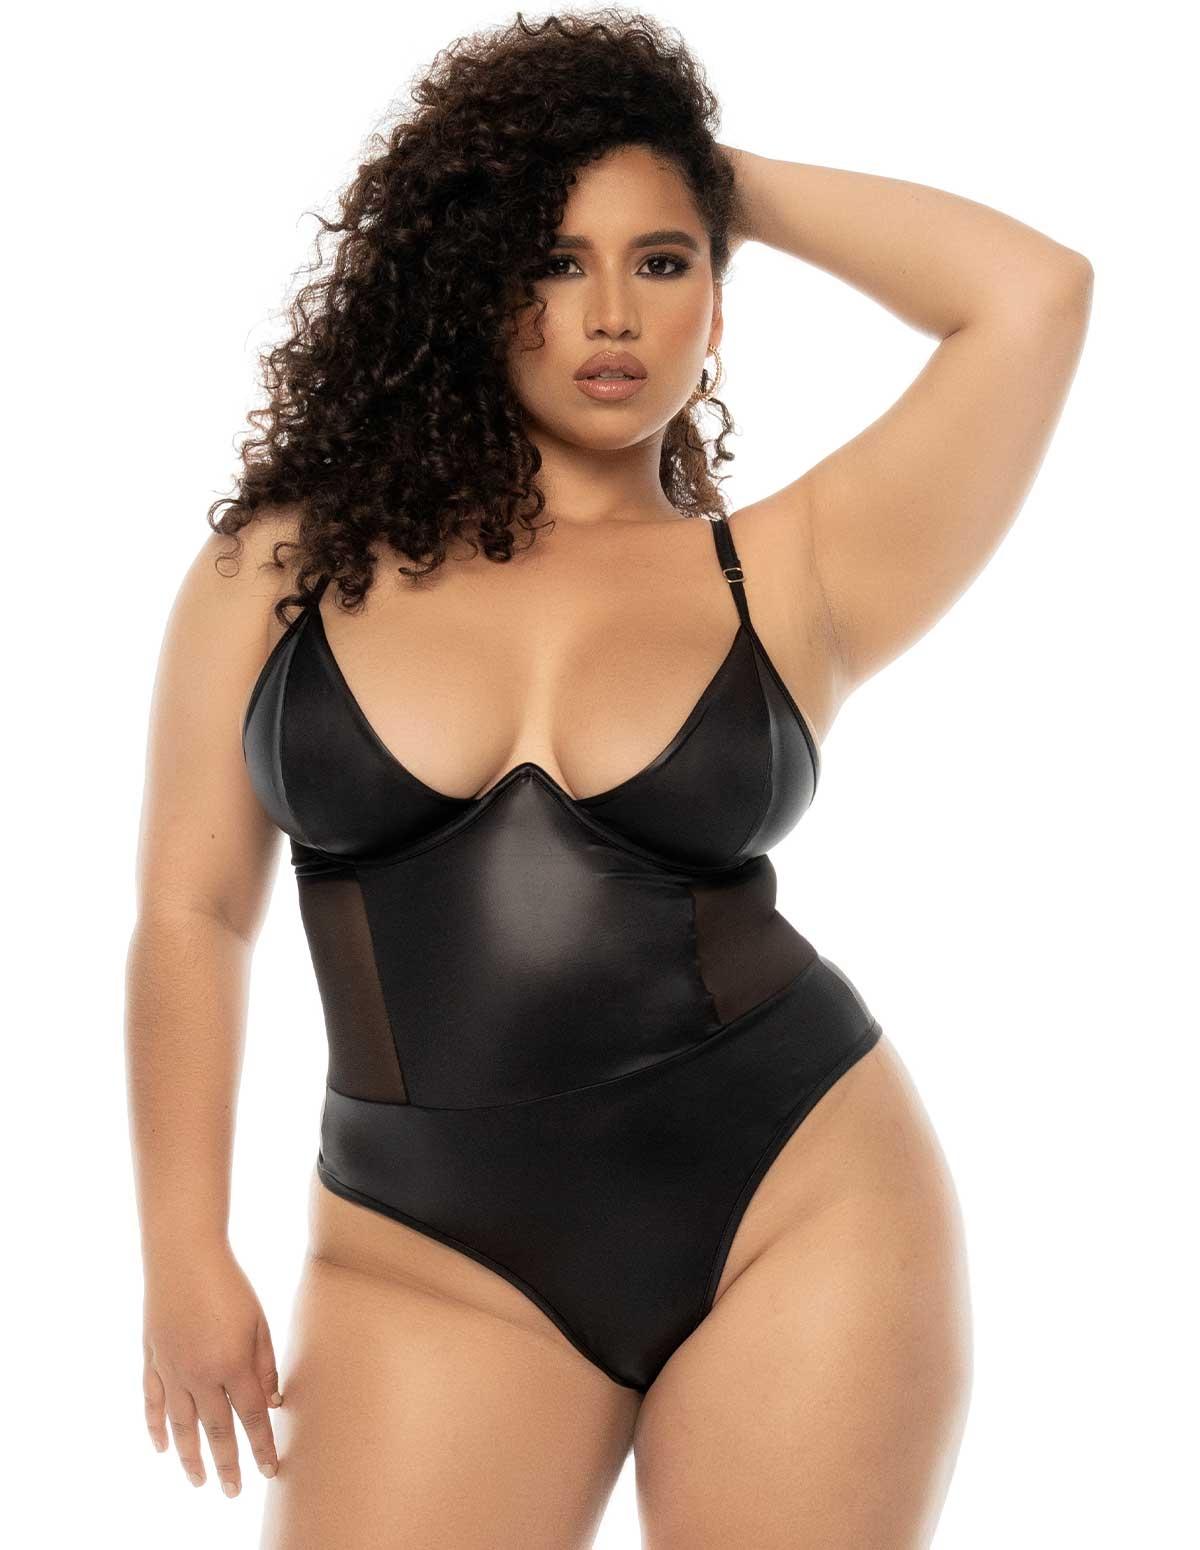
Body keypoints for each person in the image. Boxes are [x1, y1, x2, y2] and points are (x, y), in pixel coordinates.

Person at [126, 11, 1092, 1546]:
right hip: (426, 1250)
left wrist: (717, 174)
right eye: (554, 258)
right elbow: (193, 912)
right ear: (469, 279)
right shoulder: (285, 564)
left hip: (798, 1198)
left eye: (662, 259)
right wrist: (183, 1248)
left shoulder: (790, 567)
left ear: (717, 290)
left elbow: (1034, 294)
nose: (613, 311)